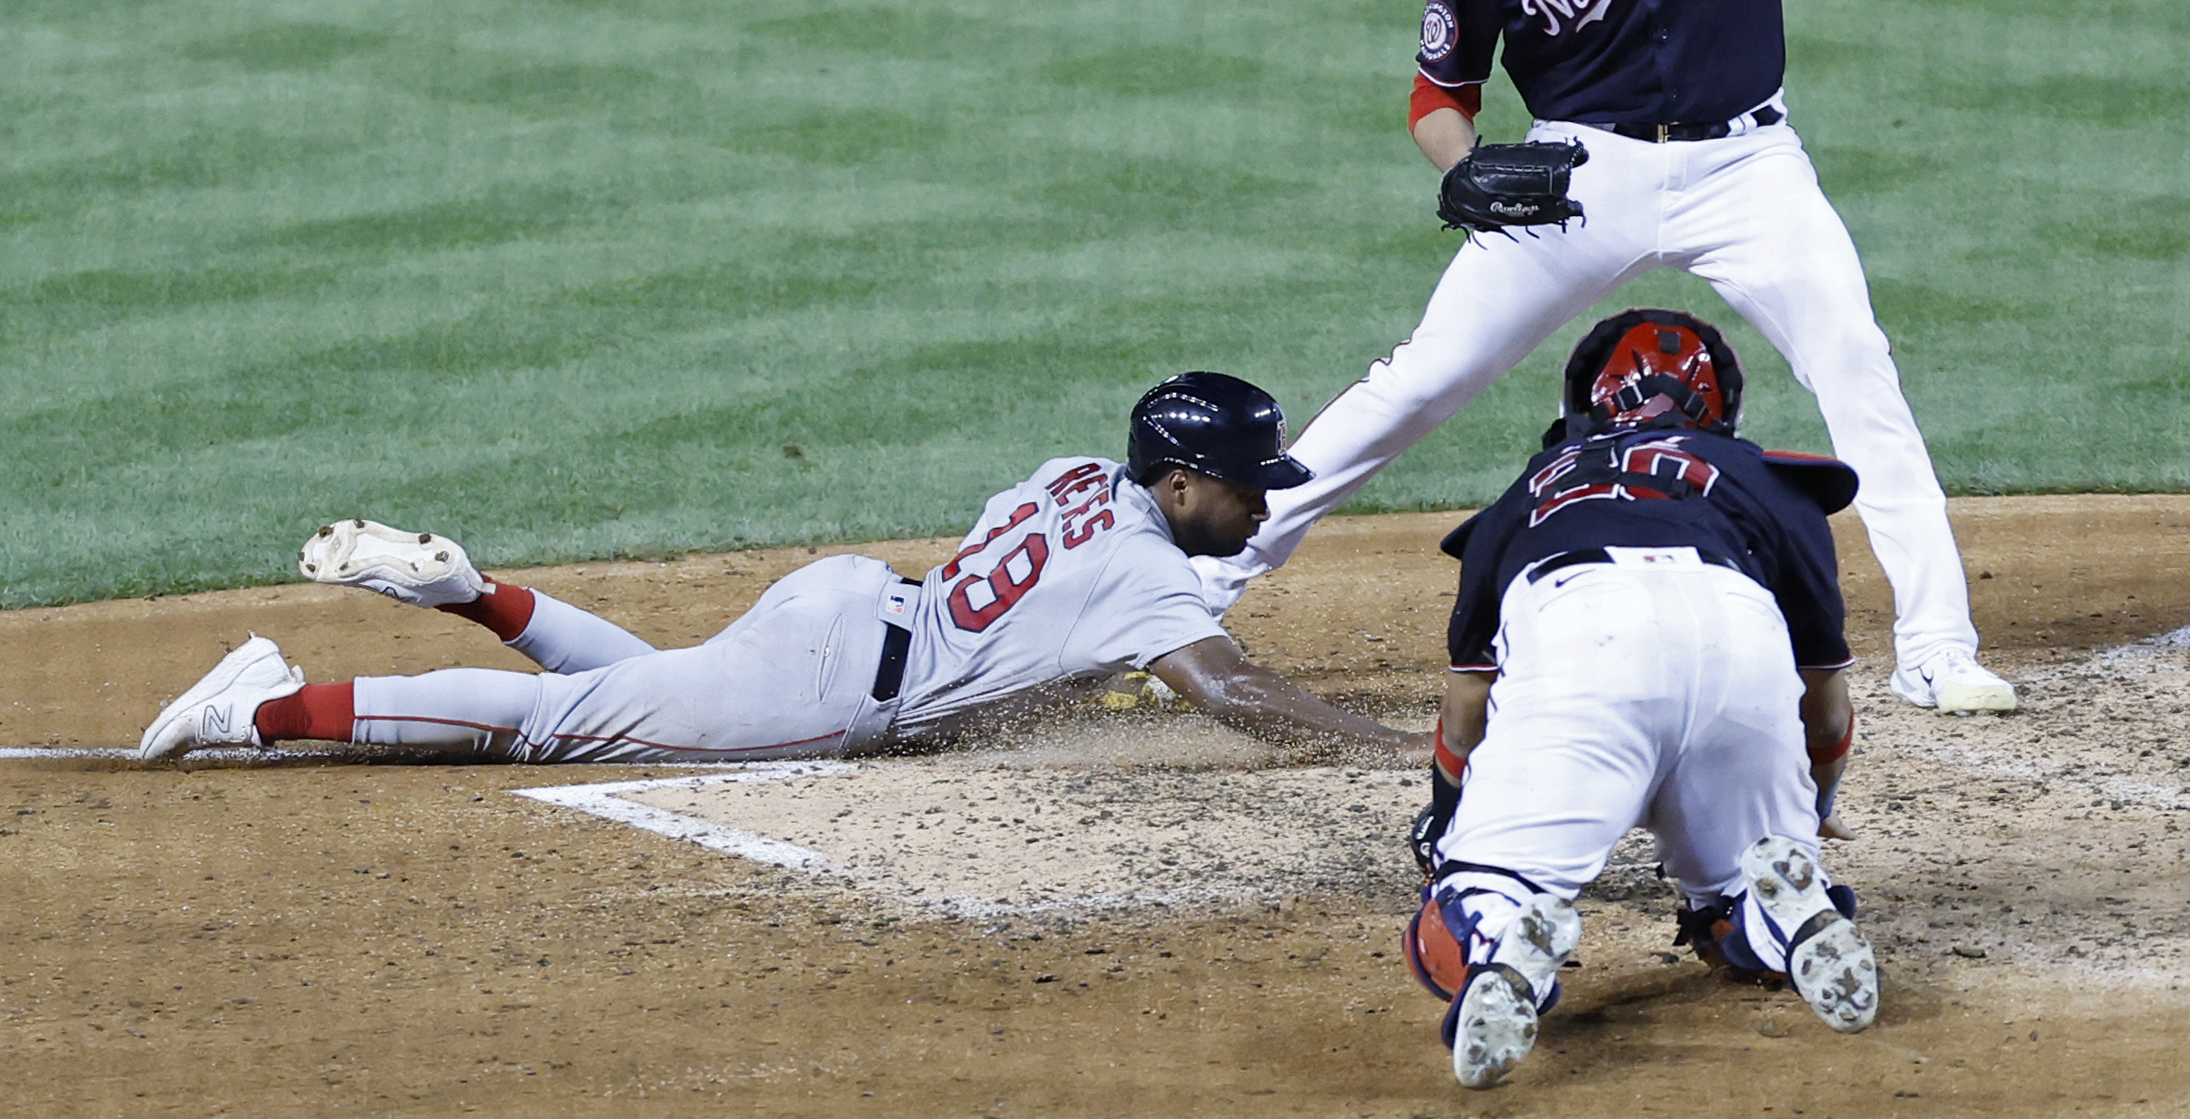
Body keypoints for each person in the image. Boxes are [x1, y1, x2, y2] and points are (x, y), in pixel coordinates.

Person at [1197, 0, 2163, 714]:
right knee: (1422, 379)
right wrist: (1464, 164)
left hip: (1749, 167)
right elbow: (1439, 92)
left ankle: (1937, 643)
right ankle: (1197, 588)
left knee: (1856, 363)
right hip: (1582, 176)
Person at [137, 373, 1432, 766]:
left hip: (840, 604)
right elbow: (1235, 693)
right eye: (1244, 487)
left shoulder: (1074, 478)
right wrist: (1382, 750)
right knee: (548, 730)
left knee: (668, 685)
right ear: (1177, 484)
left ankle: (474, 591)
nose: (1258, 507)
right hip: (834, 688)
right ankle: (252, 709)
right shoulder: (1153, 576)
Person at [1401, 308, 1877, 1088]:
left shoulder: (1526, 495)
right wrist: (1809, 811)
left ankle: (1496, 928)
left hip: (1585, 631)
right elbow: (1825, 706)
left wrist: (1448, 833)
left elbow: (1466, 711)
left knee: (1462, 903)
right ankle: (1780, 913)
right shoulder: (1774, 482)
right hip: (1739, 638)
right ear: (1722, 413)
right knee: (1729, 893)